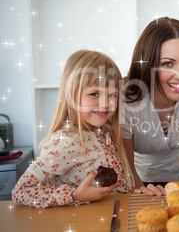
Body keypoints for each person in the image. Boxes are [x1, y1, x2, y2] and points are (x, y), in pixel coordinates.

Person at [12, 50, 136, 208]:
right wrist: (74, 195)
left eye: (112, 95)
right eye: (94, 94)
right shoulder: (64, 143)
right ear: (71, 96)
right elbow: (20, 191)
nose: (105, 104)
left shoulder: (104, 132)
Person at [122, 17, 179, 194]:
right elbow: (126, 166)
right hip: (134, 178)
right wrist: (142, 191)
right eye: (167, 64)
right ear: (148, 65)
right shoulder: (126, 100)